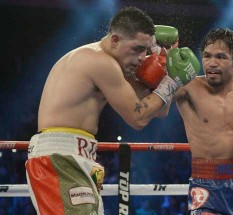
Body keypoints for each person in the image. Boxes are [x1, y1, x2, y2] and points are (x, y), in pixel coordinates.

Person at [25, 6, 200, 215]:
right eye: (136, 49)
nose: (141, 57)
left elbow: (157, 111)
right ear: (115, 40)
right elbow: (138, 119)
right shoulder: (100, 62)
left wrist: (163, 69)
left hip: (75, 155)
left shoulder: (112, 66)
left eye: (146, 50)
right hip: (60, 157)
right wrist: (170, 83)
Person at [173, 28, 233, 214]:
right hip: (207, 185)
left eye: (220, 57)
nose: (212, 63)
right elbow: (156, 105)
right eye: (207, 56)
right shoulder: (188, 87)